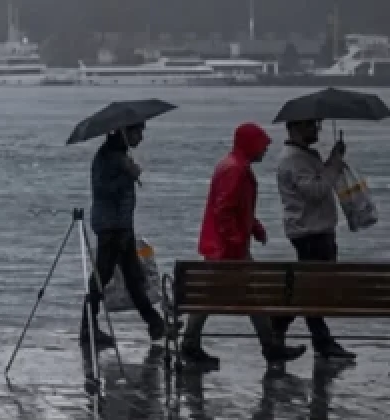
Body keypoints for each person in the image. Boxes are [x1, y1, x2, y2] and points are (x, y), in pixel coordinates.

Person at [180, 123, 307, 368]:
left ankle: (193, 344)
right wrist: (237, 238)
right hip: (227, 250)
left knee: (221, 296)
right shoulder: (235, 170)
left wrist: (254, 227)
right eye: (262, 145)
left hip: (223, 248)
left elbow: (237, 208)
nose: (265, 150)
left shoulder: (234, 165)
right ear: (249, 144)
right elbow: (224, 210)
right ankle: (268, 347)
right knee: (235, 296)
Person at [273, 118, 355, 360]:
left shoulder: (304, 156)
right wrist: (335, 164)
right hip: (310, 232)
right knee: (313, 288)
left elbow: (320, 182)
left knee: (313, 287)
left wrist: (332, 160)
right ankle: (316, 337)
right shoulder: (293, 160)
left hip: (317, 230)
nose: (316, 130)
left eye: (317, 125)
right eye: (311, 126)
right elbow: (316, 192)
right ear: (296, 128)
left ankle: (286, 324)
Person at [81, 123, 167, 348]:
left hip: (122, 226)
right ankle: (87, 328)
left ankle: (155, 323)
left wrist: (128, 171)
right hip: (111, 228)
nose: (141, 137)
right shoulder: (107, 157)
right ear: (124, 133)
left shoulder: (119, 155)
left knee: (133, 276)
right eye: (137, 132)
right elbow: (102, 190)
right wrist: (128, 176)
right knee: (102, 277)